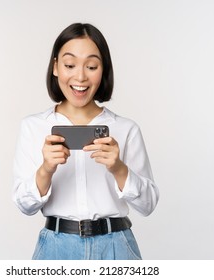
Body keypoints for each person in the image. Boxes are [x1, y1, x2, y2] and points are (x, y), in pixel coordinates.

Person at [13, 23, 159, 260]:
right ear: (55, 67)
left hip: (116, 247)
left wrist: (119, 168)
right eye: (70, 65)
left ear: (103, 70)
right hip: (56, 248)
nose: (80, 76)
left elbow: (148, 205)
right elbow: (24, 206)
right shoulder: (33, 127)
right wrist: (46, 169)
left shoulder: (125, 129)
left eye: (91, 66)